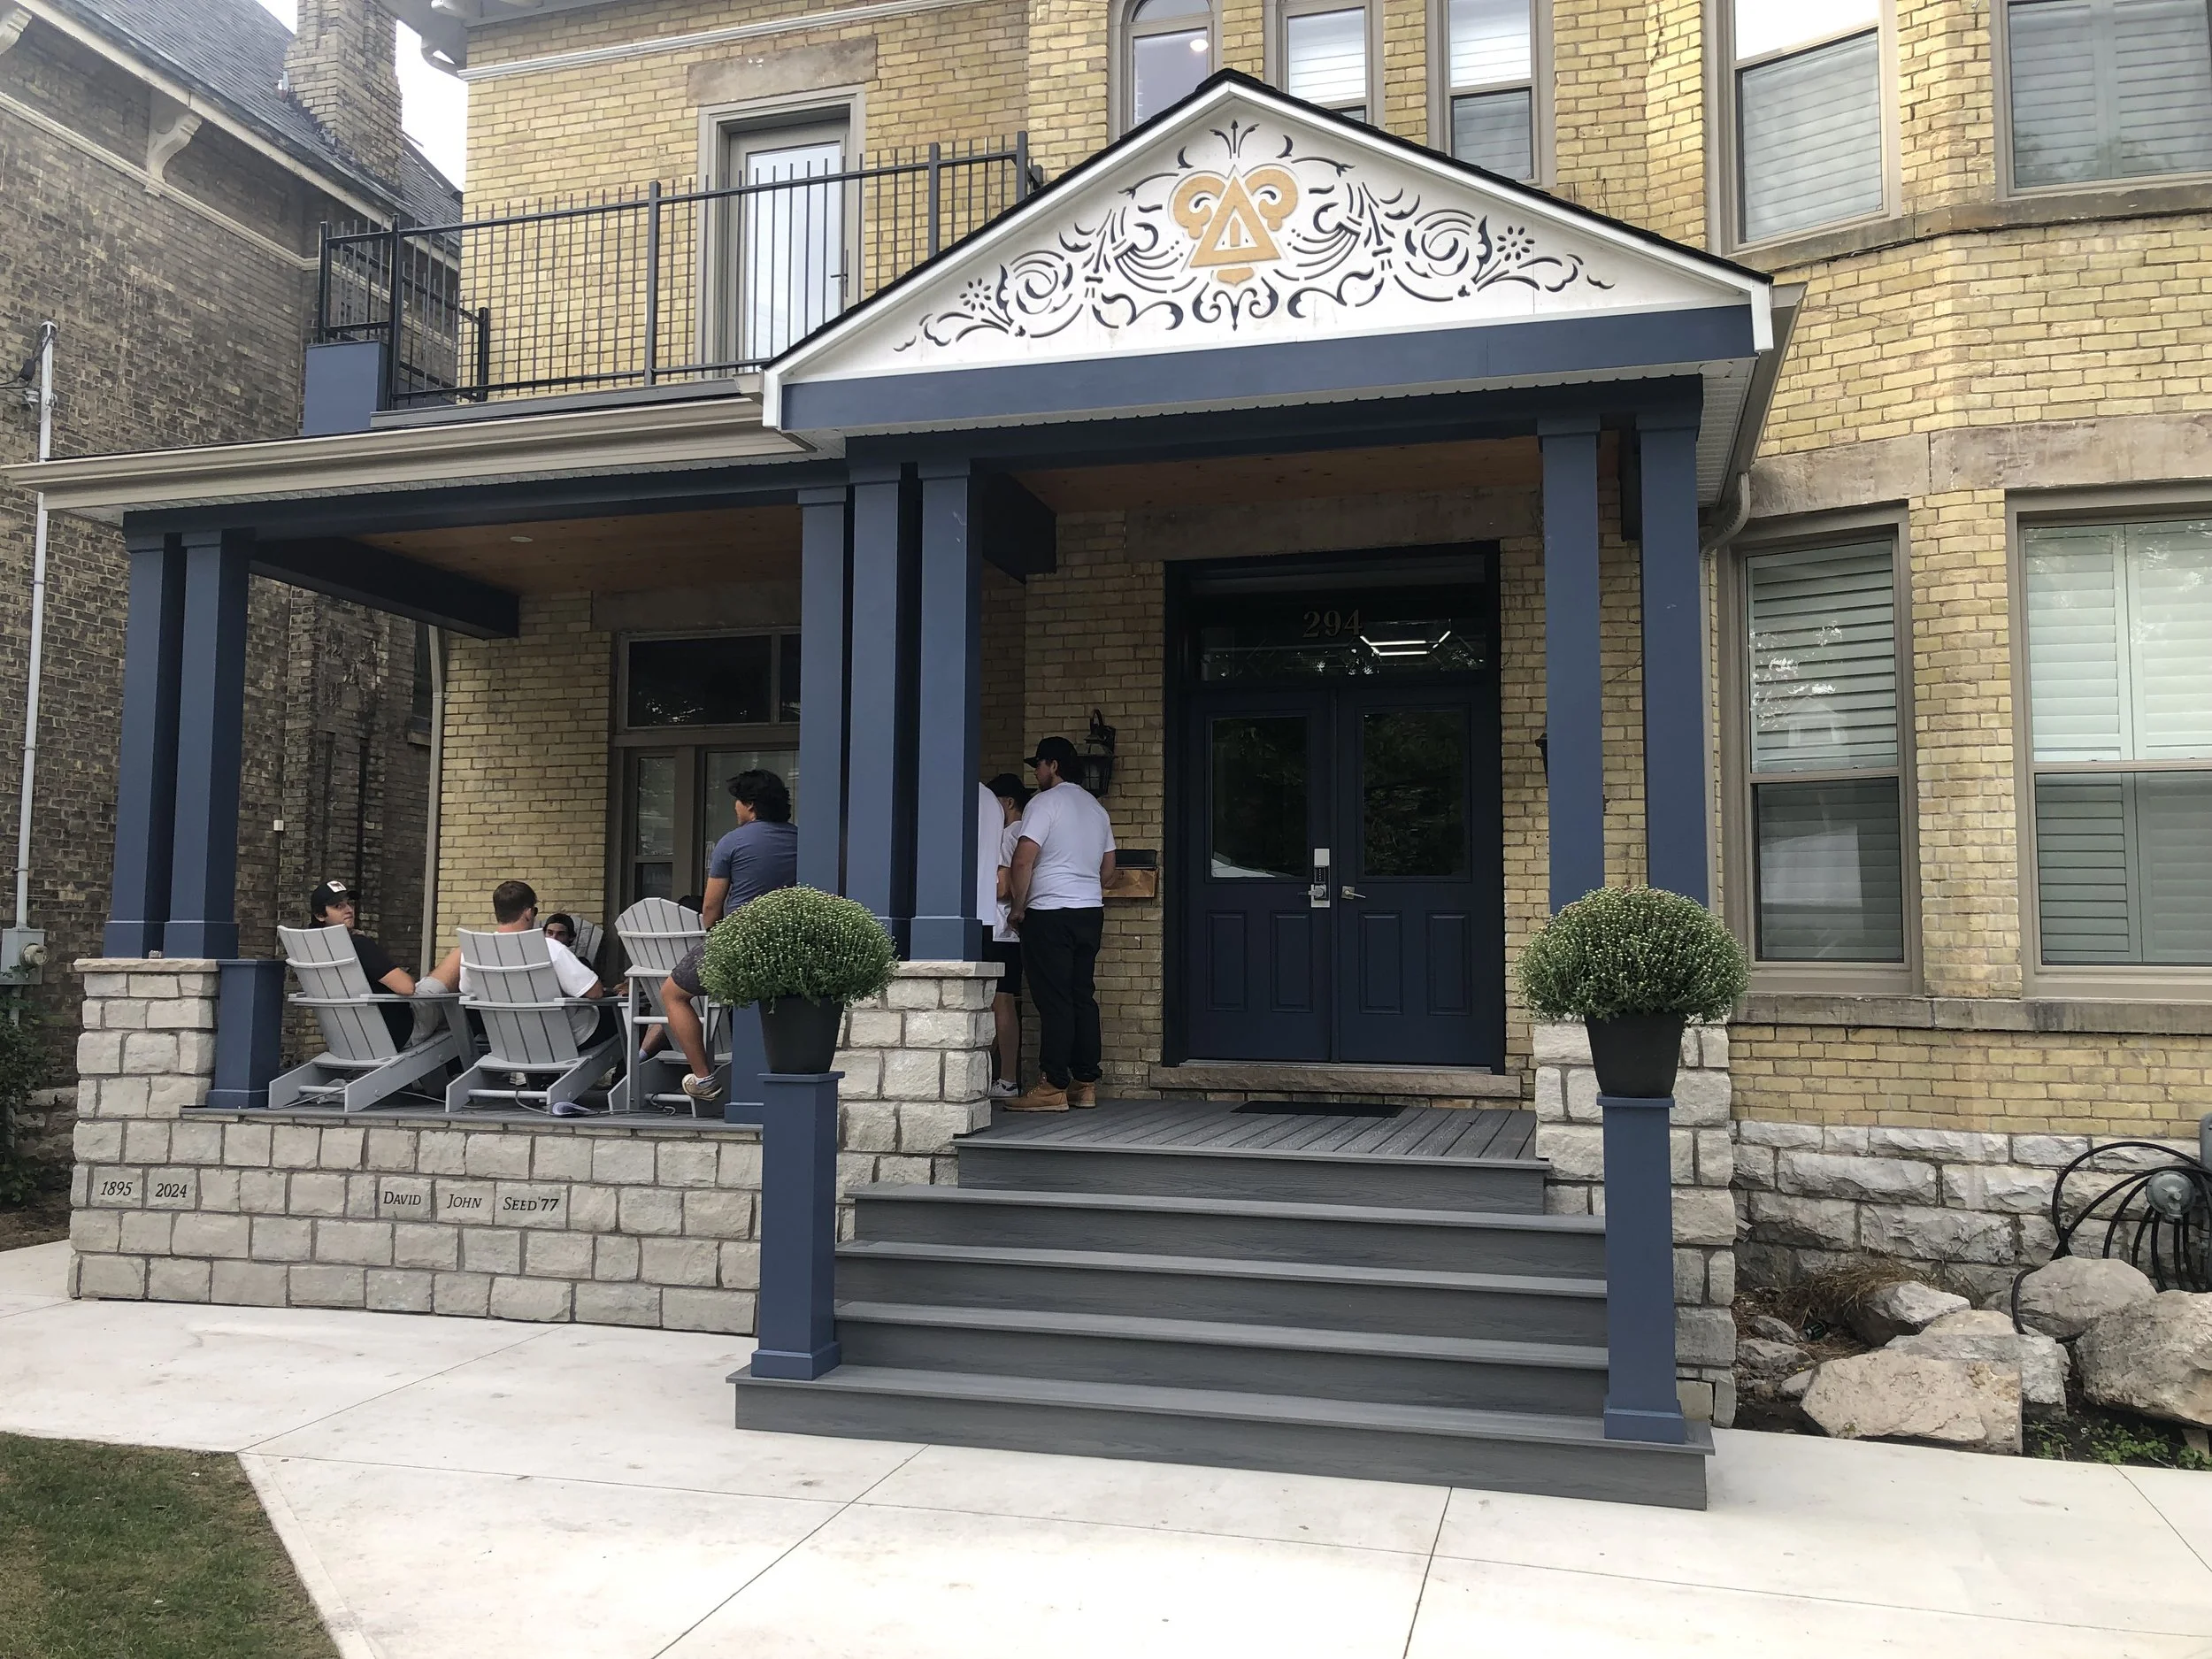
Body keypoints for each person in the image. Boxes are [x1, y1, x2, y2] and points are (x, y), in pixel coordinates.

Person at [658, 768, 799, 1102]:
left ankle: (704, 1079)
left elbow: (710, 910)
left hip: (741, 941)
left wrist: (718, 939)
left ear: (750, 805)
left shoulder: (732, 843)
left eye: (737, 802)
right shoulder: (799, 838)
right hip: (791, 944)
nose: (735, 808)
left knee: (673, 994)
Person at [426, 880, 615, 1116]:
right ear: (528, 912)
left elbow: (467, 992)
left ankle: (544, 1079)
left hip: (506, 1041)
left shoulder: (474, 952)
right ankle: (624, 1087)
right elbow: (595, 992)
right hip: (564, 1039)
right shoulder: (550, 948)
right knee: (619, 1015)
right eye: (534, 911)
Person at [1005, 736, 1115, 1112]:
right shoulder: (1096, 809)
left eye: (1038, 765)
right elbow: (1109, 869)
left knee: (1054, 1000)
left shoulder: (1043, 803)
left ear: (1053, 766)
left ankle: (1052, 1086)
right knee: (1082, 995)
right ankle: (1085, 1083)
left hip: (1050, 911)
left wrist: (1018, 909)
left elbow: (1023, 861)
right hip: (1089, 911)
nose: (1035, 772)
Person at [308, 879, 418, 1047]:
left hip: (346, 1039)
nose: (349, 910)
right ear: (320, 915)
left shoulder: (312, 948)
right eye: (338, 906)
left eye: (349, 904)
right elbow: (407, 988)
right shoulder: (358, 944)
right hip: (395, 1032)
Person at [978, 774, 1028, 1097]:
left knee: (998, 1003)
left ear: (1007, 802)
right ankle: (1002, 1077)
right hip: (1014, 932)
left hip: (998, 926)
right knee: (1005, 1001)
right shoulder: (1027, 832)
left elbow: (1003, 886)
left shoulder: (1008, 834)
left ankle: (1004, 1078)